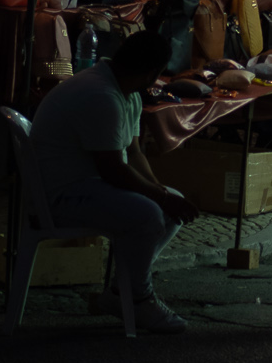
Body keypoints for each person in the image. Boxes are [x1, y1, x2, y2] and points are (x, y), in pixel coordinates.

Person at [28, 25, 200, 333]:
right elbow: (113, 169)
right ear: (152, 72)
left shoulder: (125, 91)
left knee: (166, 209)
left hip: (92, 187)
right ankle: (138, 297)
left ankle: (123, 293)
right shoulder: (100, 94)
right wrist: (159, 198)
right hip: (63, 196)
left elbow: (133, 153)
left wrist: (160, 191)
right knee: (148, 213)